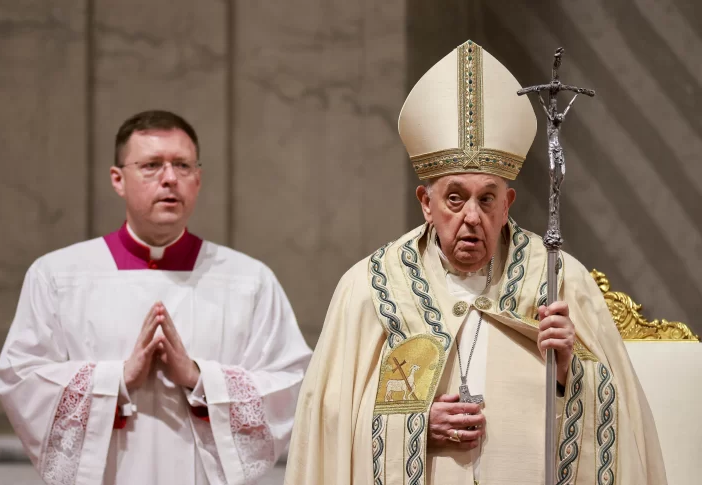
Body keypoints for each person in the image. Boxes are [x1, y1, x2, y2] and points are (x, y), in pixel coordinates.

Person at [285, 41, 666, 485]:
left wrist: (568, 368)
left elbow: (621, 418)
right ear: (425, 203)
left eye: (487, 199)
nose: (472, 216)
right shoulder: (372, 286)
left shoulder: (558, 279)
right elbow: (329, 420)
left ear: (508, 204)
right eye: (454, 198)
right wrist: (415, 425)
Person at [0, 110, 312, 485]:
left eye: (182, 165)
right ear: (118, 179)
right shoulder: (57, 276)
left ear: (198, 178)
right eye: (150, 165)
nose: (169, 178)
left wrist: (199, 378)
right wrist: (115, 379)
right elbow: (20, 379)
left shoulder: (248, 280)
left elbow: (293, 384)